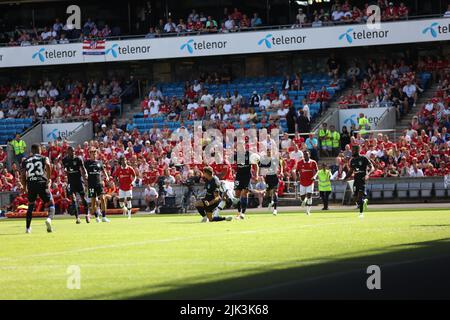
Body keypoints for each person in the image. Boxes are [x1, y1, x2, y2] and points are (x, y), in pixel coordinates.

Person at [19, 144, 55, 233]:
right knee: (51, 204)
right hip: (41, 182)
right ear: (38, 150)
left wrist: (24, 187)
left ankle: (27, 228)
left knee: (31, 205)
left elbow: (23, 174)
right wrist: (49, 179)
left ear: (32, 151)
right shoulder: (43, 157)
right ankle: (49, 220)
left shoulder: (25, 160)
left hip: (31, 184)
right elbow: (48, 165)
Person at [345, 145, 374, 218]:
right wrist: (345, 178)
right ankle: (364, 202)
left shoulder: (363, 158)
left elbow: (372, 167)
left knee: (360, 197)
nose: (352, 151)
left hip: (362, 179)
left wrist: (367, 174)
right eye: (352, 150)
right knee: (355, 198)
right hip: (356, 179)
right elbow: (351, 171)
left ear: (358, 150)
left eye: (353, 150)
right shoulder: (352, 160)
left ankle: (361, 213)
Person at [62, 146, 89, 224]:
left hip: (78, 181)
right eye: (71, 151)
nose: (73, 152)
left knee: (83, 198)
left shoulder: (78, 159)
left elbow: (83, 168)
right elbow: (65, 168)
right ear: (68, 152)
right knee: (73, 199)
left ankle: (87, 214)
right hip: (71, 182)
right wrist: (65, 170)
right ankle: (77, 218)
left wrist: (86, 174)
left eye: (74, 151)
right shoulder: (65, 160)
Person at [84, 148, 111, 223]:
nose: (94, 154)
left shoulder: (100, 162)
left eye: (95, 153)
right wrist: (85, 178)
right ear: (89, 154)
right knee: (93, 202)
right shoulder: (87, 163)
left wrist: (107, 176)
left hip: (99, 184)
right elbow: (83, 170)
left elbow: (103, 170)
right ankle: (96, 217)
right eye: (92, 153)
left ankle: (104, 217)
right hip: (91, 184)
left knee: (102, 198)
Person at [234, 149, 259, 219]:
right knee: (237, 195)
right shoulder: (236, 155)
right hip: (238, 176)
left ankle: (243, 213)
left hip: (247, 176)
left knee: (245, 193)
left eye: (241, 145)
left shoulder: (249, 154)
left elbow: (256, 165)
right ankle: (238, 212)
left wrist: (256, 175)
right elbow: (234, 165)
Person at [259, 150, 283, 216]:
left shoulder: (275, 159)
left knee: (275, 193)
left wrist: (281, 172)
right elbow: (261, 167)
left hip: (274, 178)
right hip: (268, 178)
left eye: (270, 152)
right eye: (268, 152)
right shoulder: (264, 160)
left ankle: (275, 210)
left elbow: (281, 165)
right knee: (267, 194)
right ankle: (271, 202)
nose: (269, 153)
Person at [296, 150, 318, 216]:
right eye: (304, 154)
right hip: (302, 182)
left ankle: (308, 211)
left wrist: (314, 176)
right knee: (302, 197)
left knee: (309, 196)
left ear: (309, 155)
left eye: (307, 154)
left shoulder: (313, 162)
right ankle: (304, 199)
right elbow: (297, 171)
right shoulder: (300, 163)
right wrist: (298, 176)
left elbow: (317, 171)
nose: (305, 156)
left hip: (310, 182)